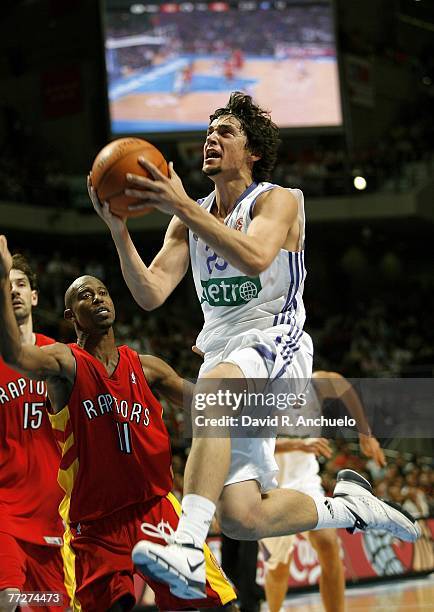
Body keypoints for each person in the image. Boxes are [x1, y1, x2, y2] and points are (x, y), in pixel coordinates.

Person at [87, 92, 420, 599]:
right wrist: (120, 232)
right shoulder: (188, 218)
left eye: (225, 132)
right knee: (242, 517)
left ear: (253, 152)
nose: (211, 139)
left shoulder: (277, 200)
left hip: (276, 340)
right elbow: (151, 293)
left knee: (214, 391)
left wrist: (178, 204)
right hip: (226, 353)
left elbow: (257, 257)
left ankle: (187, 547)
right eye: (208, 132)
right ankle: (348, 508)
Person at [0, 237, 236, 612]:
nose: (97, 299)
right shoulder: (65, 363)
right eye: (85, 296)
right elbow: (14, 353)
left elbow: (216, 405)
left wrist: (225, 360)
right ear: (70, 317)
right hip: (94, 526)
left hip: (155, 508)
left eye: (103, 292)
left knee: (218, 606)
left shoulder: (147, 367)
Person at [261, 370, 387, 612]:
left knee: (329, 545)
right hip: (270, 485)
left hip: (306, 481)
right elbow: (251, 439)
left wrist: (365, 433)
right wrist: (298, 443)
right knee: (278, 566)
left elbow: (344, 387)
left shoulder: (315, 383)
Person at [0, 253, 69, 612]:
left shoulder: (60, 359)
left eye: (21, 284)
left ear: (35, 296)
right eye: (6, 284)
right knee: (8, 600)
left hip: (54, 518)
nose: (14, 291)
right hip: (4, 514)